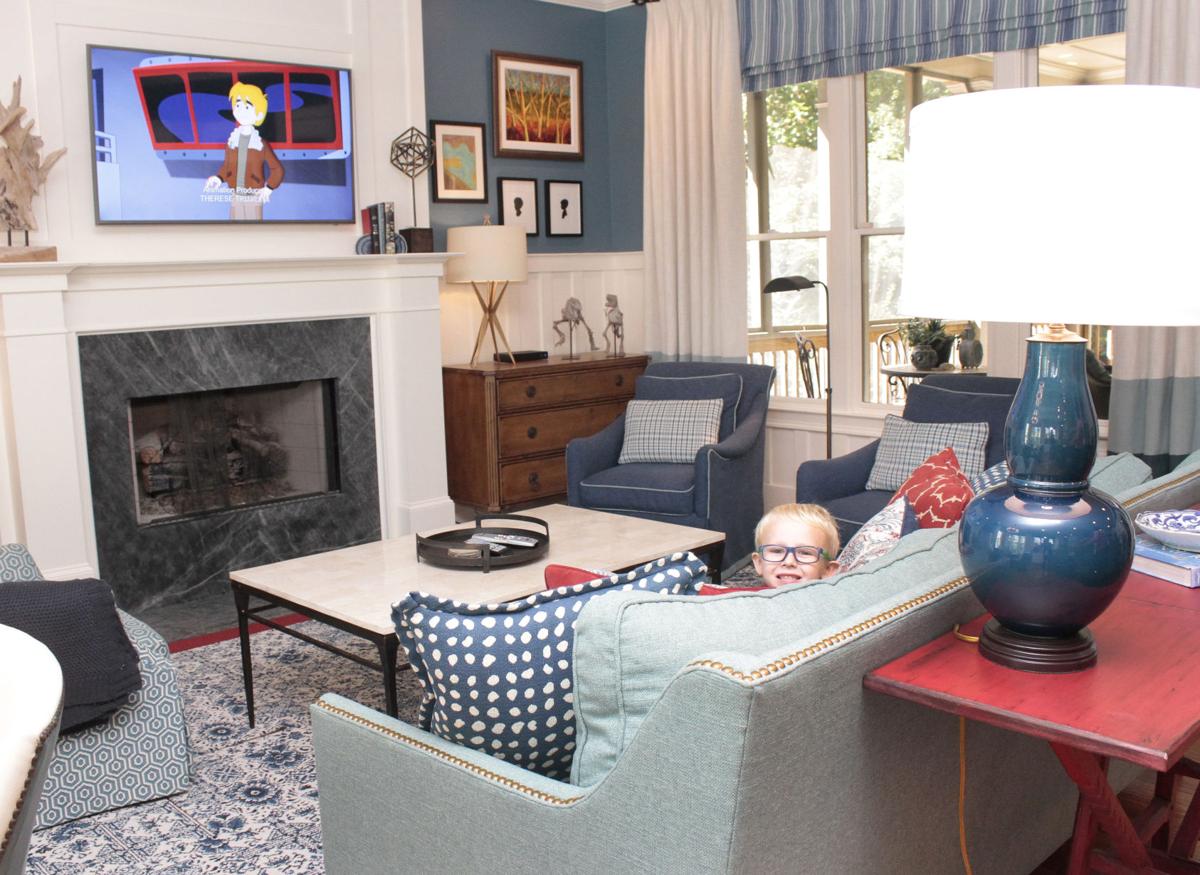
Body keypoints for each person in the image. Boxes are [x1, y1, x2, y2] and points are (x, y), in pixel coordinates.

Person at [203, 82, 284, 220]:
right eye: (238, 105)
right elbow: (227, 165)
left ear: (258, 115)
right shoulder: (232, 141)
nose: (240, 110)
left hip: (253, 195)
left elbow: (277, 169)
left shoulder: (260, 144)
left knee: (254, 232)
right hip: (235, 194)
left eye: (247, 107)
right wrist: (219, 178)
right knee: (235, 231)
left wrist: (269, 188)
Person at [750, 503, 841, 587]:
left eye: (805, 553)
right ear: (759, 563)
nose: (789, 562)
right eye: (777, 551)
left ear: (828, 569)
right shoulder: (740, 600)